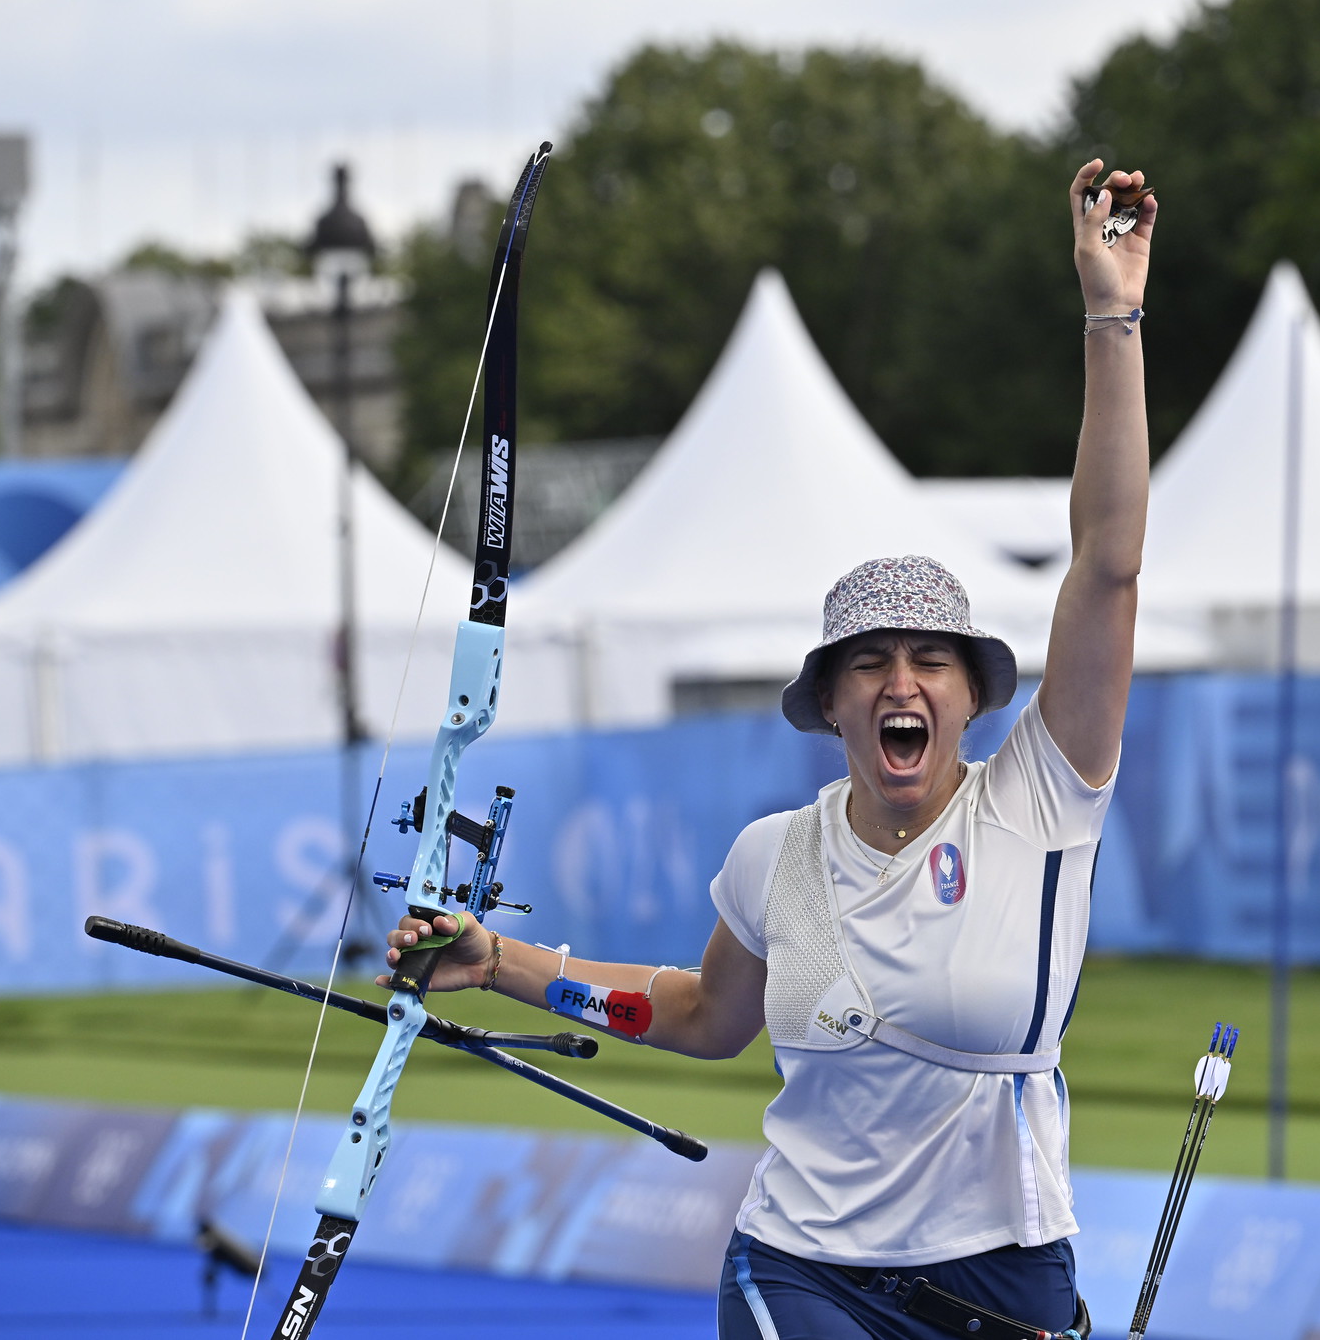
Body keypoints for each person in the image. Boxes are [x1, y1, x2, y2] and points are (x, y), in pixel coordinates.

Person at [381, 159, 1154, 1340]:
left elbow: (1105, 561)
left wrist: (1111, 317)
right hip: (801, 1268)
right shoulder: (772, 858)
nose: (900, 683)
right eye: (868, 663)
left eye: (929, 662)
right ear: (833, 703)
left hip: (1007, 1278)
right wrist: (496, 961)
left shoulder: (1040, 799)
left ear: (969, 698)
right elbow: (699, 1015)